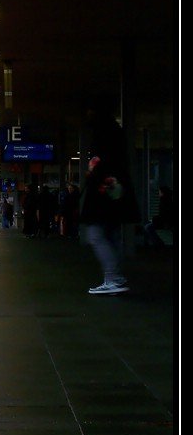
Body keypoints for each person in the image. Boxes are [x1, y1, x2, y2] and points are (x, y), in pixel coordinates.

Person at [80, 104, 140, 295]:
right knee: (112, 235)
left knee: (95, 235)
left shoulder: (102, 134)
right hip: (116, 192)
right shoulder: (117, 132)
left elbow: (99, 163)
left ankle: (113, 278)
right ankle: (116, 277)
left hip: (102, 192)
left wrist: (93, 174)